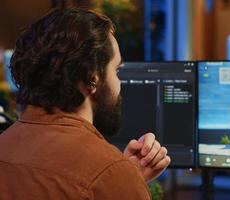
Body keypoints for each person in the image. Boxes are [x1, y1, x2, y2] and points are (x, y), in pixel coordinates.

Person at [0, 8, 170, 199]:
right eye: (117, 70)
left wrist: (128, 177)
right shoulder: (109, 174)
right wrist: (121, 179)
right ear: (93, 78)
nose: (120, 83)